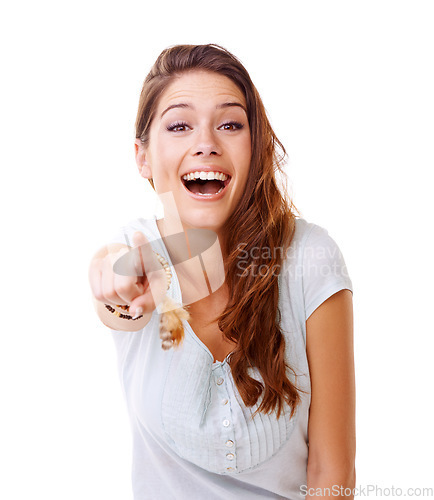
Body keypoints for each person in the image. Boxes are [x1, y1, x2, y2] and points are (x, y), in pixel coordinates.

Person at [88, 44, 356, 500]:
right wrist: (121, 289)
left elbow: (333, 470)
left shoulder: (310, 256)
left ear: (255, 146)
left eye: (230, 124)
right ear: (143, 157)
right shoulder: (135, 251)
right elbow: (111, 283)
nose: (206, 142)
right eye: (179, 126)